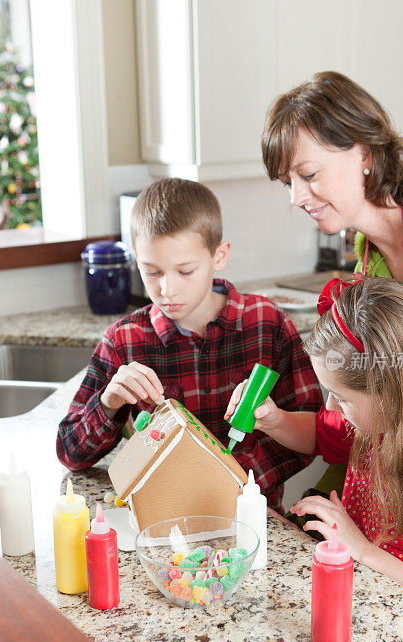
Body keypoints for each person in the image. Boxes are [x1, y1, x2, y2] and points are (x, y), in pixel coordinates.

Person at [225, 277, 403, 620]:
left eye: (342, 398)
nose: (330, 407)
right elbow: (318, 433)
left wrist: (360, 549)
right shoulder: (376, 428)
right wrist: (273, 419)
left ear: (393, 393)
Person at [57, 177, 323, 510]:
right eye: (152, 272)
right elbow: (70, 453)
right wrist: (108, 403)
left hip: (251, 523)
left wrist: (236, 480)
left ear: (219, 256)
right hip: (160, 524)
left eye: (185, 271)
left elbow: (314, 435)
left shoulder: (267, 323)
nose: (167, 289)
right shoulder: (124, 340)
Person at [262, 70, 403, 410]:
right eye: (287, 182)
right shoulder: (369, 273)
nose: (296, 197)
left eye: (307, 175)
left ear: (363, 153)